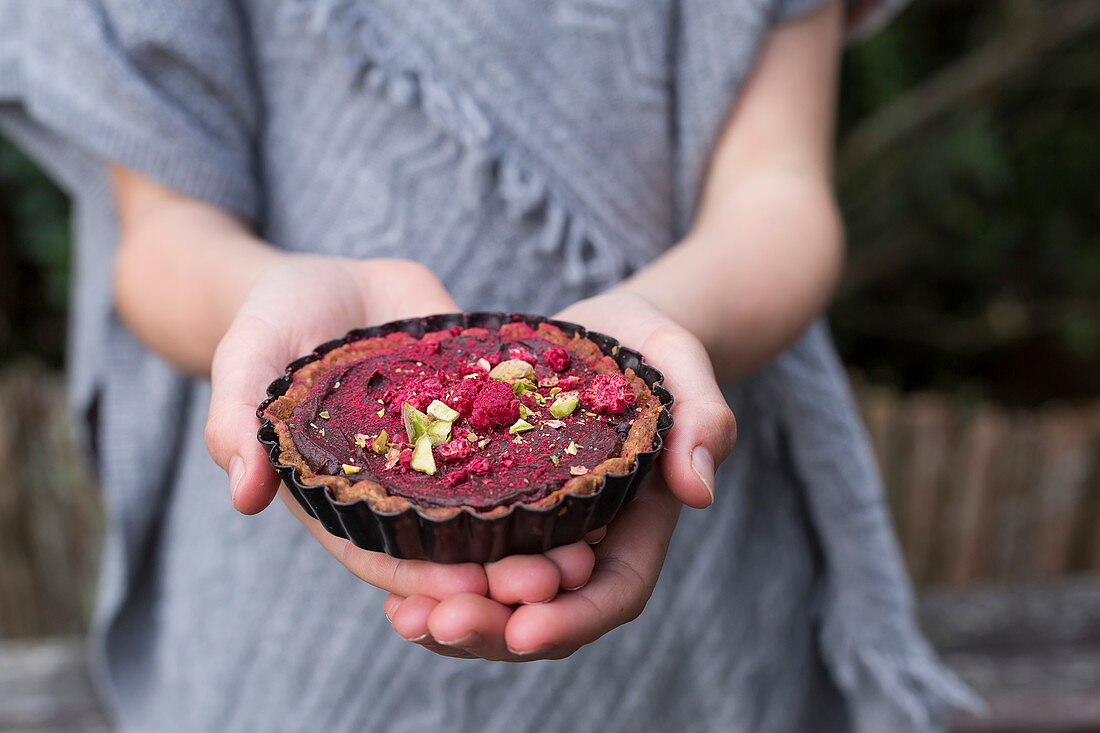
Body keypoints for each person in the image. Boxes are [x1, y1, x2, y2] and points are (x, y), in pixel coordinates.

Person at [0, 0, 977, 730]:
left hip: (696, 597)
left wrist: (664, 318)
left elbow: (778, 198)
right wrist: (268, 300)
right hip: (282, 619)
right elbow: (165, 236)